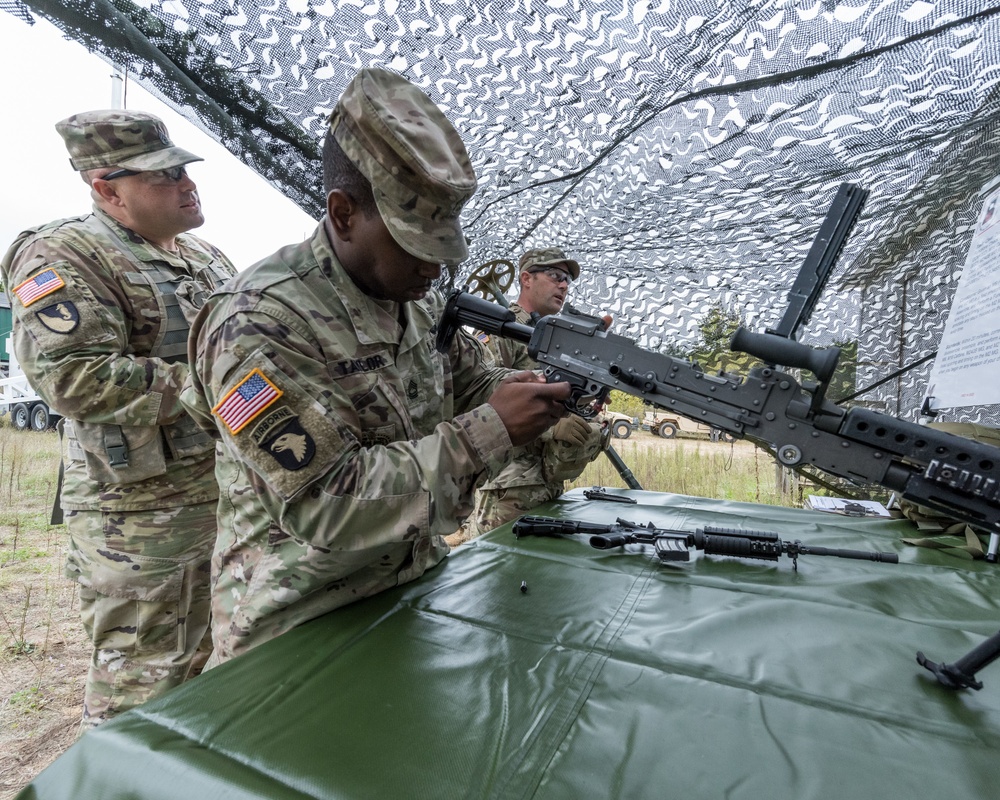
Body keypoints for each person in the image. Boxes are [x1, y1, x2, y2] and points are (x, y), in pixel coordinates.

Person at [182, 68, 569, 664]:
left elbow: (473, 383)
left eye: (445, 244)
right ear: (342, 213)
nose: (435, 267)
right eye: (416, 242)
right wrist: (492, 431)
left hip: (407, 594)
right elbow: (324, 499)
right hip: (299, 628)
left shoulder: (415, 304)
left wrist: (526, 390)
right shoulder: (257, 320)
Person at [0, 110, 236, 729]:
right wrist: (229, 388)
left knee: (212, 660)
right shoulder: (63, 251)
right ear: (107, 189)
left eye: (184, 169)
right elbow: (76, 377)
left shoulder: (207, 259)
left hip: (224, 494)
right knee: (143, 680)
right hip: (139, 516)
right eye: (164, 176)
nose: (187, 184)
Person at [451, 248, 609, 544]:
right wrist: (551, 426)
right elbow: (480, 399)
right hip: (508, 493)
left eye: (567, 281)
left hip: (547, 486)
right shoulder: (501, 329)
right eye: (556, 276)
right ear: (526, 278)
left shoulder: (555, 338)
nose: (564, 285)